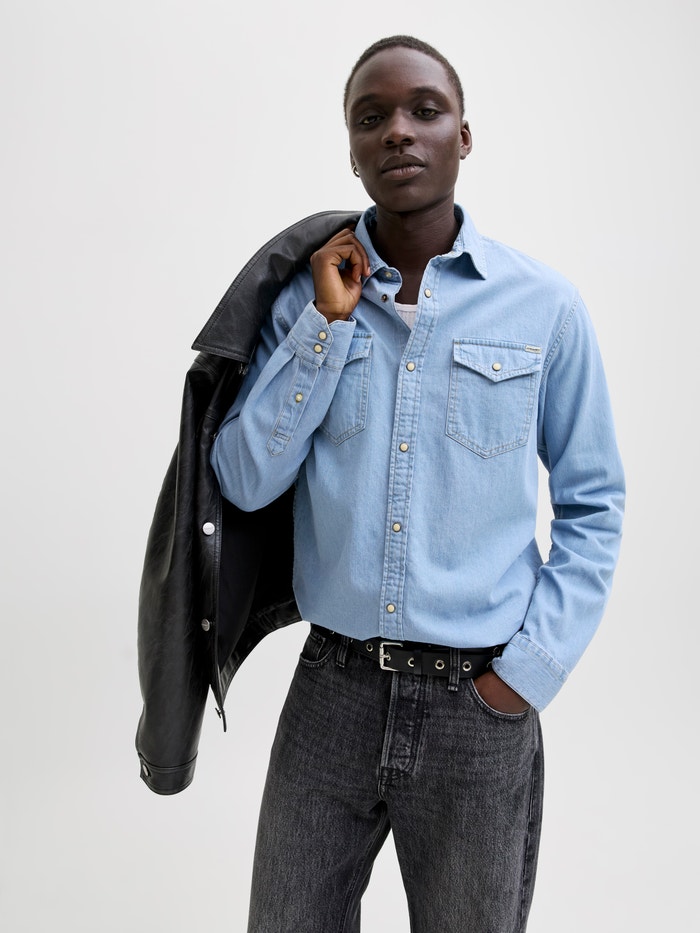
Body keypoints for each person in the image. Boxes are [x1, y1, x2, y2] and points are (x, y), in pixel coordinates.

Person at [210, 34, 625, 933]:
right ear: (352, 151)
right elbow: (242, 480)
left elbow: (595, 503)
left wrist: (525, 675)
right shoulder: (305, 300)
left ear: (463, 136)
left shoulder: (545, 307)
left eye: (424, 111)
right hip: (332, 691)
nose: (397, 131)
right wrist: (325, 327)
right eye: (372, 118)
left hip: (478, 706)